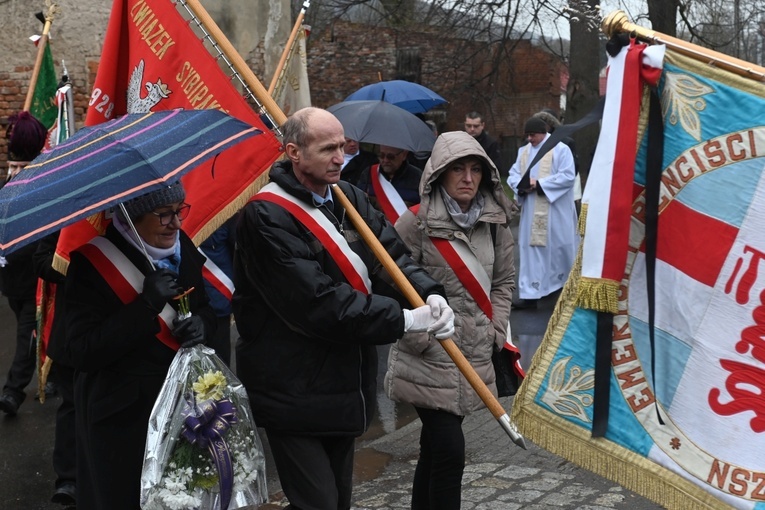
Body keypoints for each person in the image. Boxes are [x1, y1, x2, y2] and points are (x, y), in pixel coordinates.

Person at [233, 107, 454, 510]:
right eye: (327, 149)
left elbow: (390, 257)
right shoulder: (264, 217)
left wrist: (428, 293)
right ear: (293, 152)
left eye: (343, 146)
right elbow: (317, 303)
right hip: (292, 386)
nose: (340, 157)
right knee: (318, 503)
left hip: (344, 382)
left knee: (339, 500)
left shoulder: (348, 197)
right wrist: (403, 320)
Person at [64, 182, 216, 510]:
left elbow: (205, 307)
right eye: (163, 215)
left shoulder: (183, 246)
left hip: (180, 408)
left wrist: (201, 323)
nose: (176, 223)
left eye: (179, 211)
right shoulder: (90, 264)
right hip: (123, 420)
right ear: (133, 215)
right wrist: (145, 305)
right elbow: (82, 351)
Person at [385, 131, 516, 509]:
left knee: (435, 450)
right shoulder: (415, 224)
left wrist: (495, 328)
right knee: (450, 452)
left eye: (475, 169)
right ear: (438, 174)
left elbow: (504, 280)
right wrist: (421, 336)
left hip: (474, 354)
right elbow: (392, 280)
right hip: (429, 355)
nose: (468, 178)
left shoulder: (495, 223)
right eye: (458, 169)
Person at [0, 111, 49, 416]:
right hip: (11, 276)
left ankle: (13, 391)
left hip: (32, 276)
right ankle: (54, 372)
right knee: (29, 327)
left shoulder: (38, 181)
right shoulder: (12, 179)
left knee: (27, 333)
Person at [507, 116, 578, 309]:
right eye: (527, 135)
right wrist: (521, 185)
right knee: (531, 252)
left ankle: (559, 289)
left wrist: (538, 184)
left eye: (533, 135)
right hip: (532, 212)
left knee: (558, 249)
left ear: (544, 132)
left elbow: (568, 176)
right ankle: (531, 294)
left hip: (555, 211)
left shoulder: (560, 149)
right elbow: (513, 174)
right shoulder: (524, 152)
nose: (529, 138)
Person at [33, 232, 77, 506]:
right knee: (72, 404)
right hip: (72, 328)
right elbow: (42, 261)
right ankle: (69, 479)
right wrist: (76, 269)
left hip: (121, 328)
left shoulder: (135, 210)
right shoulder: (69, 217)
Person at [198, 215, 238, 365]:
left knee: (219, 368)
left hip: (217, 301)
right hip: (184, 306)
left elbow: (237, 253)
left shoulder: (221, 211)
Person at [356, 144, 423, 223]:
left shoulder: (417, 177)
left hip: (404, 231)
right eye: (381, 155)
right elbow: (358, 203)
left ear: (404, 155)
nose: (385, 160)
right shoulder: (368, 174)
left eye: (390, 157)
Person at [533, 109, 582, 213]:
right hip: (535, 194)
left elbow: (572, 171)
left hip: (559, 194)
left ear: (550, 124)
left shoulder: (565, 143)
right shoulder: (532, 143)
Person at [464, 111, 503, 179]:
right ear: (465, 125)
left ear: (482, 125)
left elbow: (496, 168)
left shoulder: (491, 143)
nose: (472, 129)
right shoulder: (460, 141)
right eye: (469, 126)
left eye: (476, 126)